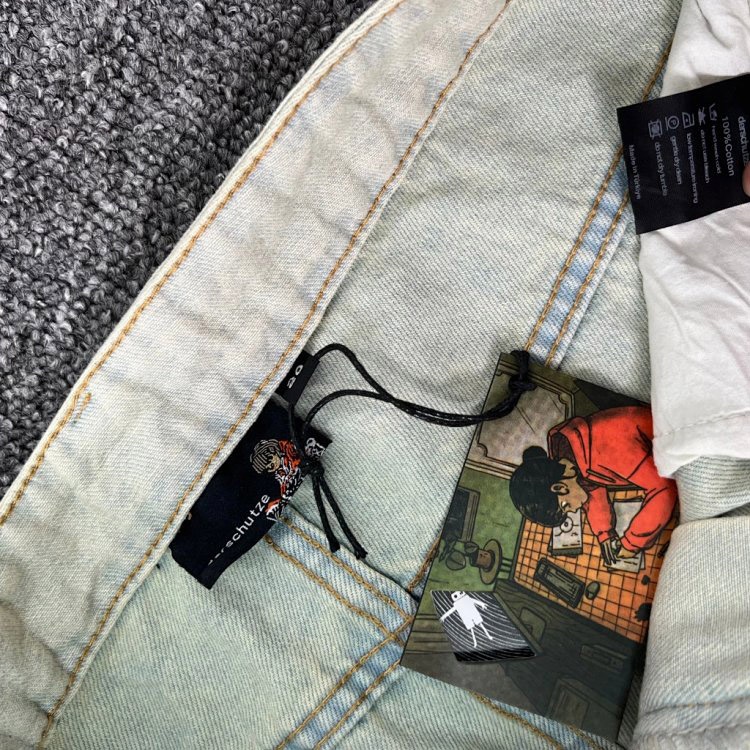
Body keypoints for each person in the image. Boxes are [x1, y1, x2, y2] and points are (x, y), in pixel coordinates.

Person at [509, 406, 677, 566]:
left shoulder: (603, 449)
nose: (574, 510)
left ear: (559, 488)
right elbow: (591, 489)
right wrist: (604, 533)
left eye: (566, 506)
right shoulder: (570, 459)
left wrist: (631, 543)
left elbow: (664, 490)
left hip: (675, 437)